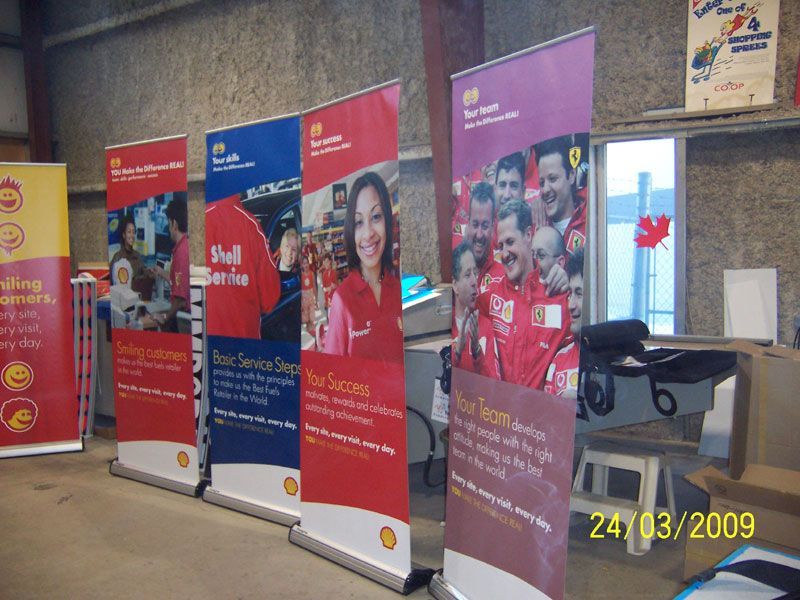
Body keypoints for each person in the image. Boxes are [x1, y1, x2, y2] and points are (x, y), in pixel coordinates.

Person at [476, 200, 570, 390]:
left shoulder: (559, 296)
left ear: (529, 235)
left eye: (510, 242)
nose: (504, 253)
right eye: (500, 245)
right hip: (498, 414)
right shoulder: (490, 297)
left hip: (543, 416)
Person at [324, 171, 403, 363]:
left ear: (388, 220)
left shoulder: (401, 289)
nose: (368, 233)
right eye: (358, 222)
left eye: (376, 216)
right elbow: (332, 375)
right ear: (351, 231)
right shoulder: (342, 301)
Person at [205, 194, 281, 339]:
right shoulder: (252, 226)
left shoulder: (200, 223)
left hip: (206, 344)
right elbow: (269, 299)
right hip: (245, 345)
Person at [451, 242, 499, 379]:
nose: (474, 281)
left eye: (475, 273)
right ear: (455, 285)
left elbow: (494, 386)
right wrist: (457, 353)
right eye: (467, 275)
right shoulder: (444, 325)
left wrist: (477, 352)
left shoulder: (485, 327)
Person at [535, 137, 586, 254]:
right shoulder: (534, 228)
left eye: (553, 179)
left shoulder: (590, 217)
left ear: (572, 175)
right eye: (541, 183)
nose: (545, 189)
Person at [545, 247, 583, 399]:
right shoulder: (560, 360)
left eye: (579, 294)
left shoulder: (614, 359)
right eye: (570, 295)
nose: (571, 305)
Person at [153, 197, 190, 331]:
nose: (168, 228)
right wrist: (162, 273)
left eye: (168, 223)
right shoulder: (185, 246)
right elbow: (179, 281)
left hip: (183, 318)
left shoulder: (181, 253)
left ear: (174, 224)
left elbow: (180, 299)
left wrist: (165, 317)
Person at [109, 215, 152, 290]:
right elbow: (113, 283)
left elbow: (144, 271)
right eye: (129, 232)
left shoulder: (137, 255)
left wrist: (150, 272)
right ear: (123, 235)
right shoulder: (117, 257)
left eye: (133, 232)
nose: (132, 235)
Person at [300, 255, 316, 335]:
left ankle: (312, 331)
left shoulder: (311, 273)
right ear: (302, 265)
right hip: (304, 298)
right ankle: (308, 330)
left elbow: (314, 286)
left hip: (311, 297)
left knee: (312, 316)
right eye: (304, 263)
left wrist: (316, 298)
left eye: (307, 263)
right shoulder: (301, 275)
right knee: (306, 317)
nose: (306, 265)